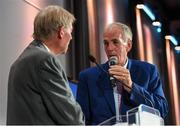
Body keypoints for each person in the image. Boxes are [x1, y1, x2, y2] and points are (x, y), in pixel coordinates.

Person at [76, 22, 168, 125]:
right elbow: (81, 120)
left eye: (115, 42)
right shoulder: (88, 77)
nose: (109, 48)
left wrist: (132, 87)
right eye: (106, 43)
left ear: (128, 45)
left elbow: (162, 109)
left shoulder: (148, 71)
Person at [7, 5, 84, 125]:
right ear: (61, 32)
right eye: (70, 32)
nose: (72, 37)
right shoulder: (45, 60)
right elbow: (72, 117)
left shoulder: (23, 59)